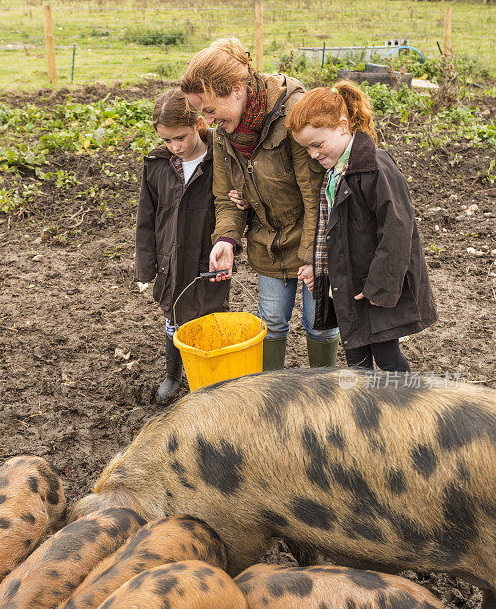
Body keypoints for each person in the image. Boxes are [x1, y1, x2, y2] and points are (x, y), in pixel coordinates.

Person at [180, 37, 339, 371]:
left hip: (315, 237)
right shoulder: (225, 133)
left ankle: (327, 396)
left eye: (210, 110)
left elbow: (315, 198)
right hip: (268, 243)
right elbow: (225, 196)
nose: (207, 121)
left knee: (320, 325)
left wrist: (313, 257)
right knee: (272, 322)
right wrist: (226, 238)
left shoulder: (291, 116)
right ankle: (271, 402)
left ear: (237, 89)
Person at [286, 81, 437, 372]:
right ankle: (367, 416)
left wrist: (378, 287)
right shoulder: (332, 174)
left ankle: (409, 411)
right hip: (347, 285)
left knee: (388, 358)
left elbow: (398, 231)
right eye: (307, 148)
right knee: (356, 360)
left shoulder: (376, 167)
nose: (313, 154)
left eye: (317, 144)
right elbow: (330, 232)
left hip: (375, 288)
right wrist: (317, 267)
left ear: (343, 126)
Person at [135, 88, 229, 403]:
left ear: (198, 124)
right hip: (169, 258)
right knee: (173, 316)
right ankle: (173, 375)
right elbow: (146, 220)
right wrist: (146, 266)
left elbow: (235, 212)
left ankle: (210, 378)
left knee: (210, 314)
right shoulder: (157, 165)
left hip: (208, 256)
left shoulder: (221, 159)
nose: (175, 147)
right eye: (167, 140)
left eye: (181, 138)